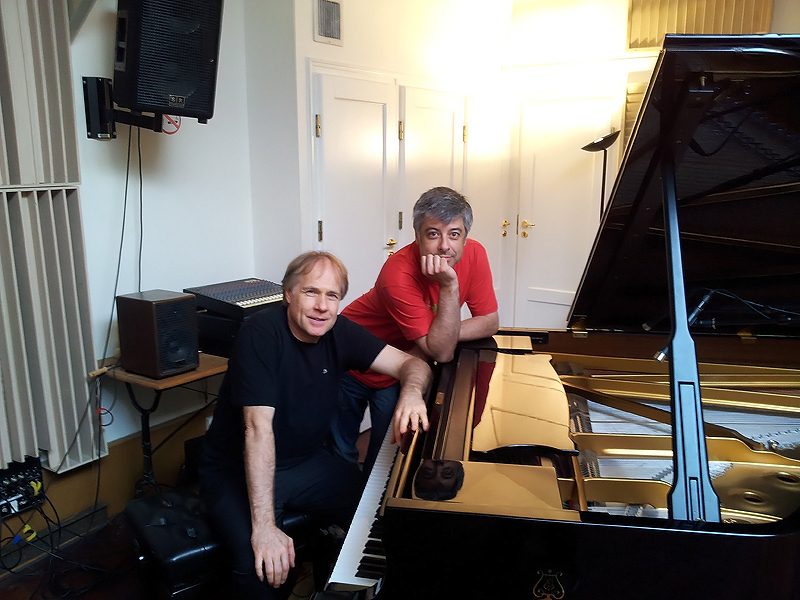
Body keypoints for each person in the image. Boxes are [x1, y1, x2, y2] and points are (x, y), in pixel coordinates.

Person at [198, 251, 431, 599]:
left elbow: (413, 365)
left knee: (381, 518)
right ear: (288, 294)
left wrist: (411, 393)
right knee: (260, 571)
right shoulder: (260, 333)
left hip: (304, 462)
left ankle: (337, 581)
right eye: (311, 292)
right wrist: (265, 528)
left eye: (332, 296)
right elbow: (258, 430)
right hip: (238, 469)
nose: (322, 306)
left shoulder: (340, 332)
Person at [332, 186, 499, 474]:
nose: (445, 246)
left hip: (399, 365)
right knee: (340, 446)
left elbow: (489, 321)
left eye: (454, 234)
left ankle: (369, 498)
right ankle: (341, 497)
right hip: (352, 355)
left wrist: (440, 335)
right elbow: (441, 351)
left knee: (386, 451)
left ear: (465, 237)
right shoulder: (397, 273)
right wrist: (449, 286)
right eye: (433, 234)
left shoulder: (476, 254)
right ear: (417, 236)